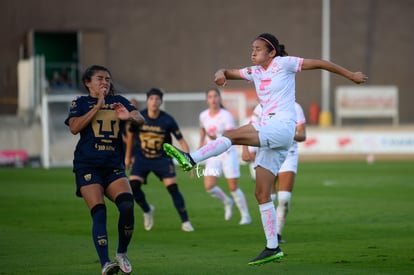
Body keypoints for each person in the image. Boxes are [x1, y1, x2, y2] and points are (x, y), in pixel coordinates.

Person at [162, 32, 367, 265]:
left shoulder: (284, 64)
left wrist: (350, 75)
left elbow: (319, 63)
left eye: (258, 49)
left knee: (231, 134)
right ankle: (272, 247)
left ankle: (191, 158)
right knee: (261, 192)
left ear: (271, 53)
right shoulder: (254, 71)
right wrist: (220, 74)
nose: (253, 52)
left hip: (281, 126)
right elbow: (226, 72)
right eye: (252, 48)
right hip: (272, 130)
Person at [65, 65, 145, 275]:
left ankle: (121, 252)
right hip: (88, 165)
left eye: (108, 79)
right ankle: (105, 263)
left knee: (127, 206)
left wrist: (130, 117)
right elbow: (74, 128)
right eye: (100, 78)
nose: (105, 82)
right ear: (87, 82)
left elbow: (140, 119)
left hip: (113, 166)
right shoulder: (80, 103)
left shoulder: (119, 101)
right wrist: (97, 106)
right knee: (99, 212)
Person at [125, 88, 195, 232]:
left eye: (157, 99)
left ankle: (185, 222)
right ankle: (147, 209)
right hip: (142, 158)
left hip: (162, 159)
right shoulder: (139, 117)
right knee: (133, 187)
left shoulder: (167, 119)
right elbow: (130, 135)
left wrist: (189, 161)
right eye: (151, 99)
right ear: (147, 101)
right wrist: (128, 156)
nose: (154, 102)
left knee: (173, 188)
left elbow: (181, 141)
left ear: (161, 102)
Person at [242, 102, 307, 244]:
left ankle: (277, 233)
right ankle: (271, 238)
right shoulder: (261, 107)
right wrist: (246, 150)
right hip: (268, 154)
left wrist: (287, 135)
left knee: (284, 199)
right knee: (268, 197)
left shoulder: (295, 107)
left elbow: (302, 135)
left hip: (288, 155)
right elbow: (250, 129)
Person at [198, 88, 252, 225]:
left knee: (233, 187)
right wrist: (201, 144)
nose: (213, 99)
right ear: (207, 100)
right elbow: (202, 129)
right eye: (210, 96)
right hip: (213, 156)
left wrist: (215, 137)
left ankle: (246, 216)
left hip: (227, 154)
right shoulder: (203, 115)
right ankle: (227, 201)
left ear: (219, 98)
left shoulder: (226, 115)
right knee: (209, 186)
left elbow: (230, 135)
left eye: (215, 96)